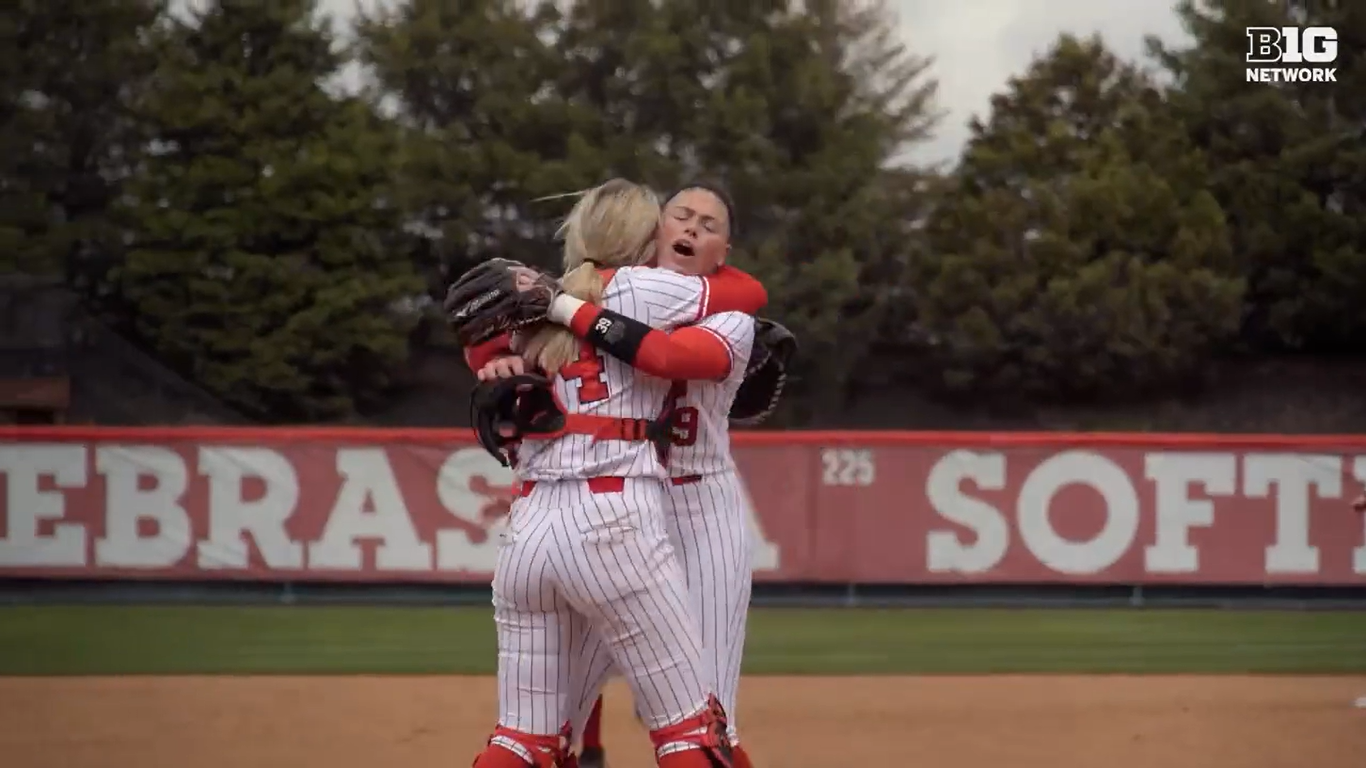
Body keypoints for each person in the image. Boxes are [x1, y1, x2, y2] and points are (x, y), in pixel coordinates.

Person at [455, 178, 767, 768]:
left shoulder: (568, 297)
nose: (693, 228)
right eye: (682, 216)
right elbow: (733, 304)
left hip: (659, 507)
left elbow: (480, 335)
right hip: (622, 511)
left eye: (711, 224)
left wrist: (504, 349)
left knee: (528, 733)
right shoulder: (648, 292)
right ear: (653, 233)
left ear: (723, 249)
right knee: (688, 727)